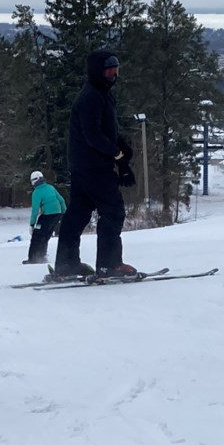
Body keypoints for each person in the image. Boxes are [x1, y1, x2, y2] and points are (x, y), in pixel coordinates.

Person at [53, 49, 138, 278]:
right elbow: (93, 135)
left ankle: (66, 264)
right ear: (97, 72)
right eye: (109, 70)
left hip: (85, 165)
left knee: (78, 214)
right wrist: (116, 154)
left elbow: (107, 131)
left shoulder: (101, 94)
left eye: (116, 70)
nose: (113, 75)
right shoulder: (92, 96)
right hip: (94, 166)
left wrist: (123, 150)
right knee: (113, 210)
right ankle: (109, 265)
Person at [24, 170, 67, 264]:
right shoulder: (50, 187)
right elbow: (61, 200)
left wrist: (32, 224)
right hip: (57, 215)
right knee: (46, 236)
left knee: (37, 236)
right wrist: (64, 214)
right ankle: (41, 256)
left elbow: (35, 210)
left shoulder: (37, 192)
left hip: (47, 216)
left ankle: (33, 258)